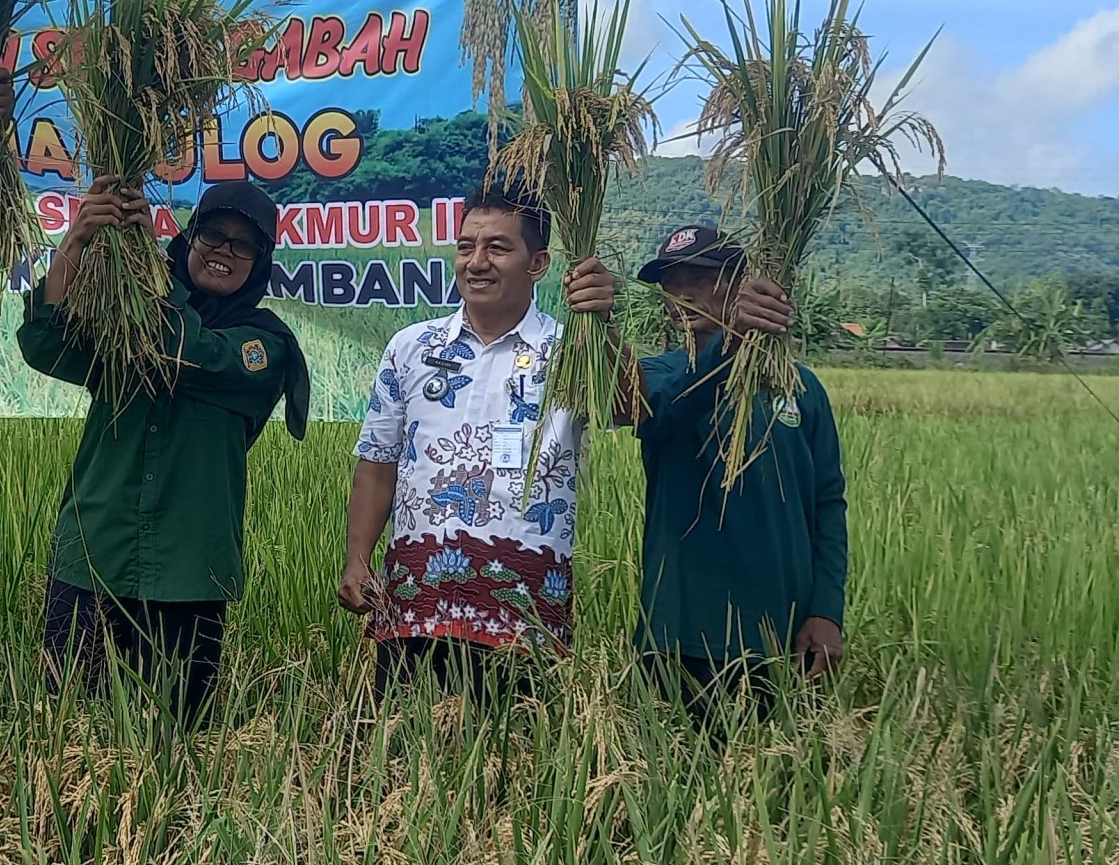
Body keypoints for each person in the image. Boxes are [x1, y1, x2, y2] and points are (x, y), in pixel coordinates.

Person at [18, 177, 308, 726]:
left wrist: (145, 262)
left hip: (188, 573)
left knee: (179, 741)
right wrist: (77, 243)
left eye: (242, 244)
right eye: (211, 234)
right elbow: (44, 343)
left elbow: (190, 350)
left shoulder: (263, 348)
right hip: (93, 554)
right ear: (189, 237)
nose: (222, 250)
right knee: (66, 730)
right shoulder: (129, 326)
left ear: (261, 260)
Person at [338, 182, 618, 697]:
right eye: (466, 246)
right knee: (400, 758)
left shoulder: (569, 350)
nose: (476, 261)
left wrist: (604, 326)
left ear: (538, 264)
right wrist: (358, 559)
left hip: (525, 605)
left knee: (514, 765)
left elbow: (630, 409)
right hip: (414, 599)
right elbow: (377, 462)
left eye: (498, 247)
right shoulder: (412, 347)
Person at [626, 223, 845, 728]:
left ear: (743, 282)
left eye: (699, 278)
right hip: (680, 635)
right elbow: (659, 414)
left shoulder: (800, 387)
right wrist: (732, 346)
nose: (681, 294)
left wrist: (827, 610)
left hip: (784, 636)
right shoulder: (657, 373)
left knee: (776, 795)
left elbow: (827, 502)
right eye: (670, 282)